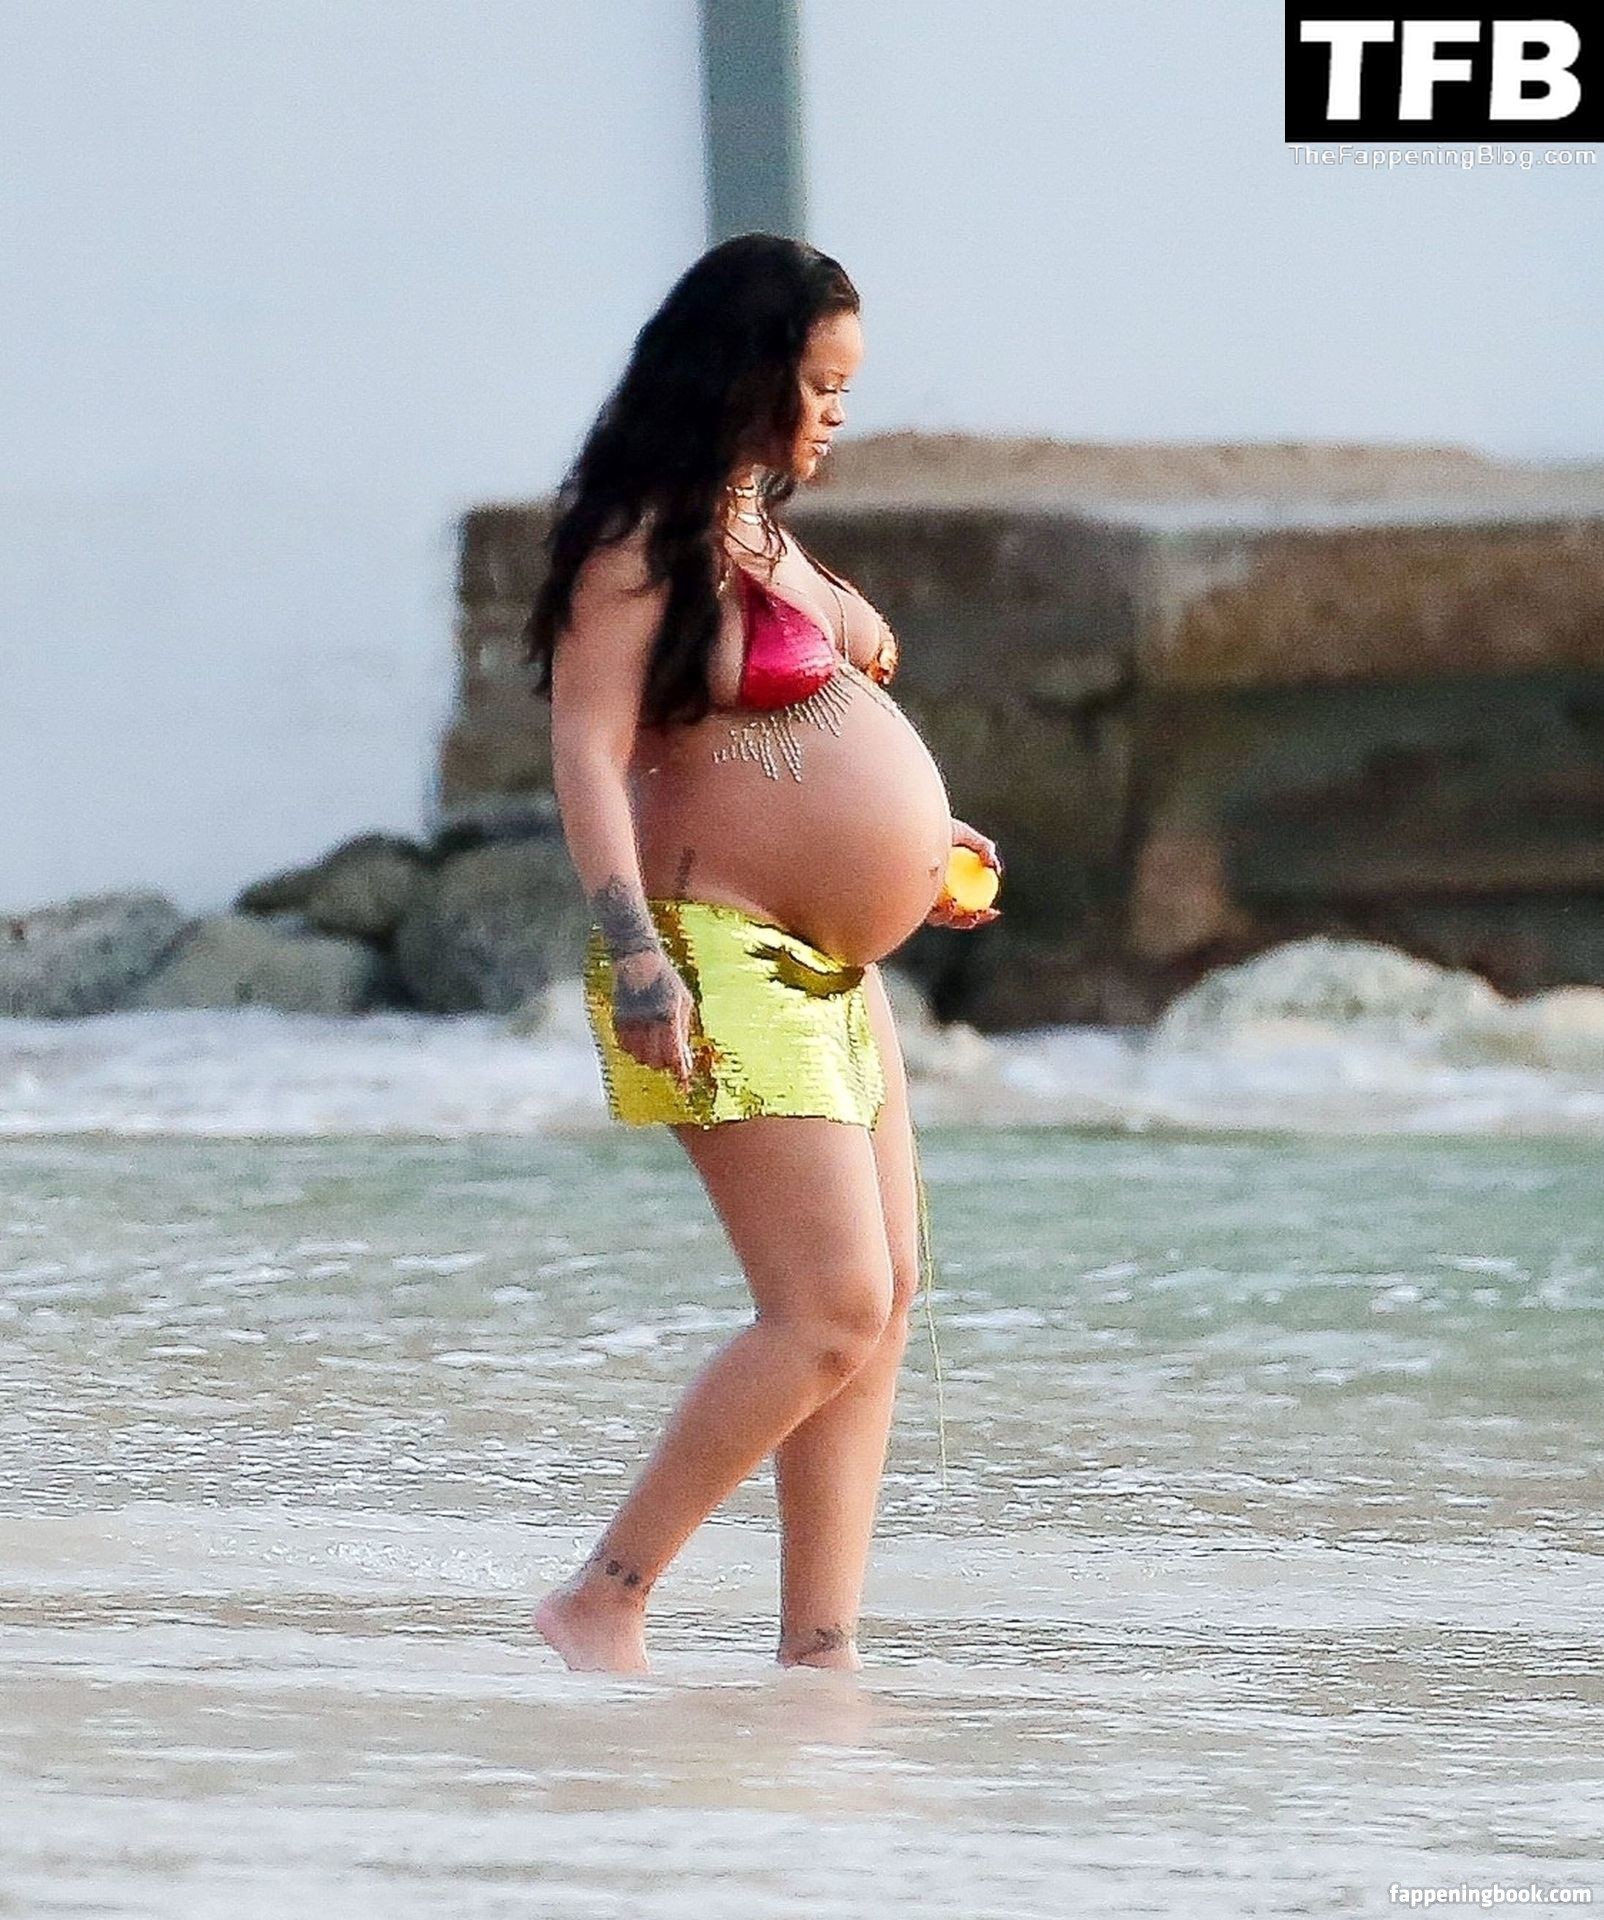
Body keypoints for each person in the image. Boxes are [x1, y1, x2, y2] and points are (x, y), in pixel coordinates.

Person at [524, 233, 1002, 1674]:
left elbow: (792, 743)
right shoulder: (640, 545)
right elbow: (589, 752)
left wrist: (918, 843)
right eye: (820, 384)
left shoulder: (760, 529)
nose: (838, 414)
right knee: (828, 1304)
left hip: (831, 963)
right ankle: (605, 1595)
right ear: (743, 374)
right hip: (707, 948)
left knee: (887, 1296)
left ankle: (821, 1646)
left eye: (847, 386)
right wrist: (635, 957)